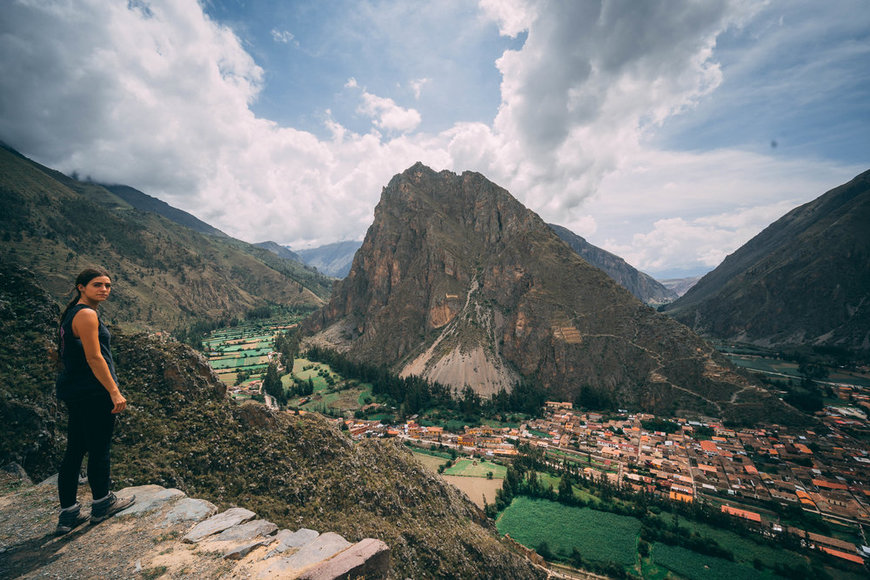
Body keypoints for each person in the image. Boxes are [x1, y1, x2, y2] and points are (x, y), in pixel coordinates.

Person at [55, 267, 134, 535]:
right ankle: (102, 504)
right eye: (97, 284)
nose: (104, 289)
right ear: (81, 287)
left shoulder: (71, 314)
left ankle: (68, 514)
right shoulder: (87, 314)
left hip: (76, 391)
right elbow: (94, 357)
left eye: (108, 285)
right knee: (99, 448)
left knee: (75, 450)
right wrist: (114, 391)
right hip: (94, 392)